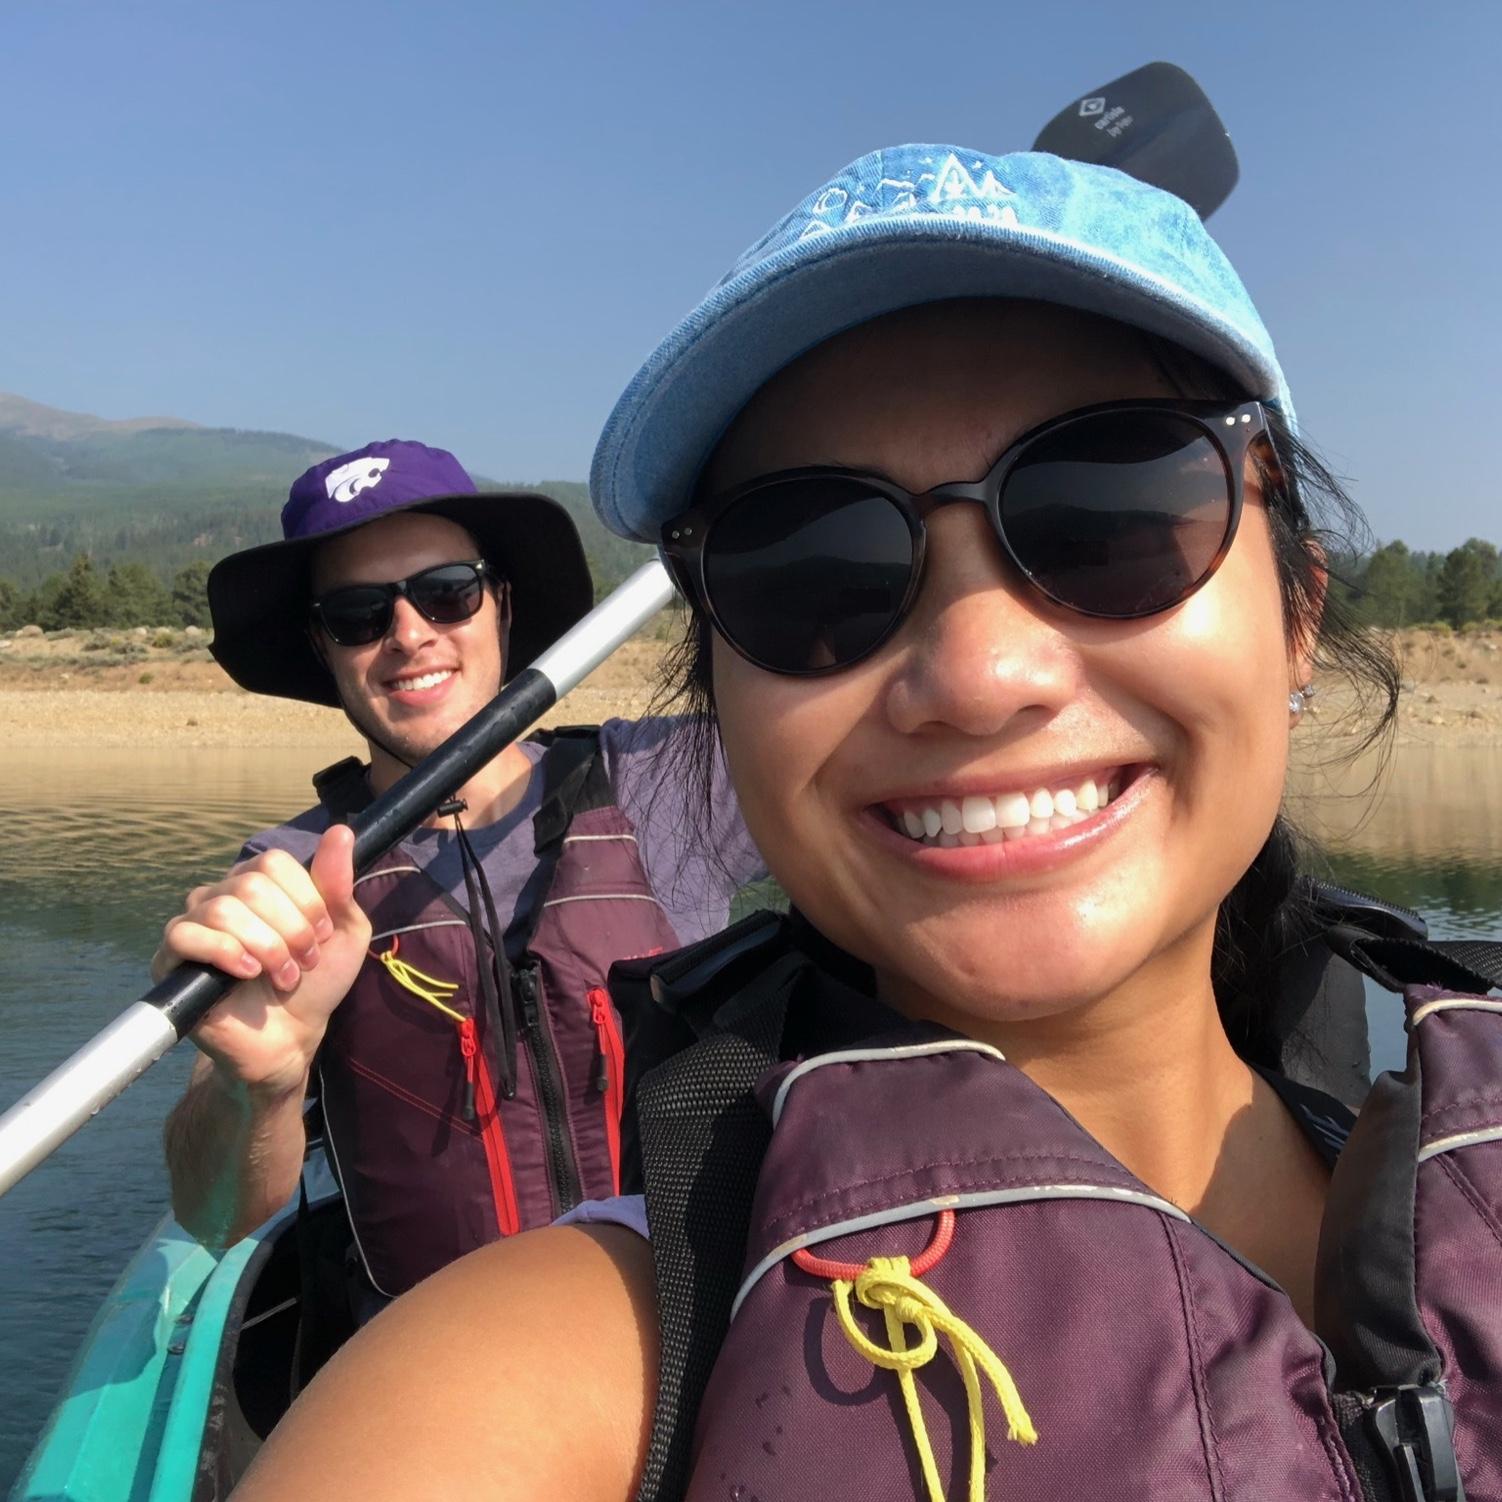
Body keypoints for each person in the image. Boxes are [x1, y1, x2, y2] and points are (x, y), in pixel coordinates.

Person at [230, 145, 1464, 1500]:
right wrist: (266, 1077)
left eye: (1112, 508)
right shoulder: (547, 1365)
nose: (980, 673)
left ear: (1296, 610)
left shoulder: (627, 791)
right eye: (808, 565)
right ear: (737, 725)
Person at [158, 439, 762, 1326]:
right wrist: (261, 1085)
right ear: (322, 647)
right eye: (360, 614)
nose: (410, 633)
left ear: (501, 603)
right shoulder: (285, 886)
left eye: (447, 591)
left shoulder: (675, 781)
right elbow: (213, 1218)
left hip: (695, 1334)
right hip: (432, 1374)